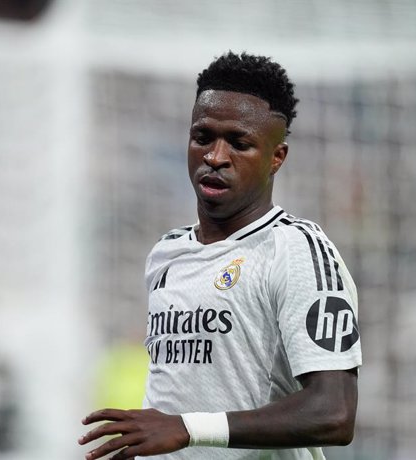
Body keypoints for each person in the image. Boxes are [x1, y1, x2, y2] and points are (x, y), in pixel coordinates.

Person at [80, 51, 362, 460]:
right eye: (203, 137)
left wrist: (187, 429)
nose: (215, 156)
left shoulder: (295, 250)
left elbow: (334, 412)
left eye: (239, 143)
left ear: (276, 157)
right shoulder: (166, 255)